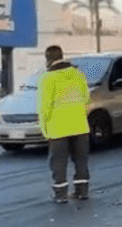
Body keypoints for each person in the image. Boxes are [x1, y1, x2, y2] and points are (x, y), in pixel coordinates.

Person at [37, 45, 92, 203]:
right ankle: (82, 192)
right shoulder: (78, 75)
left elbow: (45, 107)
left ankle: (60, 195)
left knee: (59, 164)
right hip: (80, 126)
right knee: (81, 161)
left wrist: (45, 129)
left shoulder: (47, 79)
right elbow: (86, 100)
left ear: (48, 59)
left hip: (58, 129)